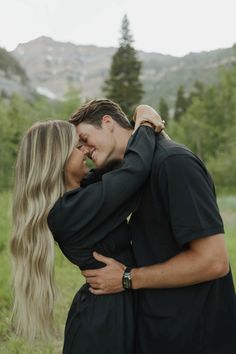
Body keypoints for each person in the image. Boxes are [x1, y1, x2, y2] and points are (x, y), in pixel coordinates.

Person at [70, 99, 236, 354]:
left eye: (84, 138)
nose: (83, 149)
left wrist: (127, 278)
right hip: (157, 330)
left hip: (195, 334)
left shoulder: (174, 163)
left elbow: (213, 261)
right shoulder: (129, 172)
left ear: (107, 122)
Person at [10, 115, 164, 353]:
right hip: (104, 324)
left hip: (116, 310)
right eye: (78, 145)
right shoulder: (68, 211)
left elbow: (114, 167)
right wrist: (145, 122)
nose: (85, 150)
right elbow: (134, 172)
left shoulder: (80, 195)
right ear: (57, 158)